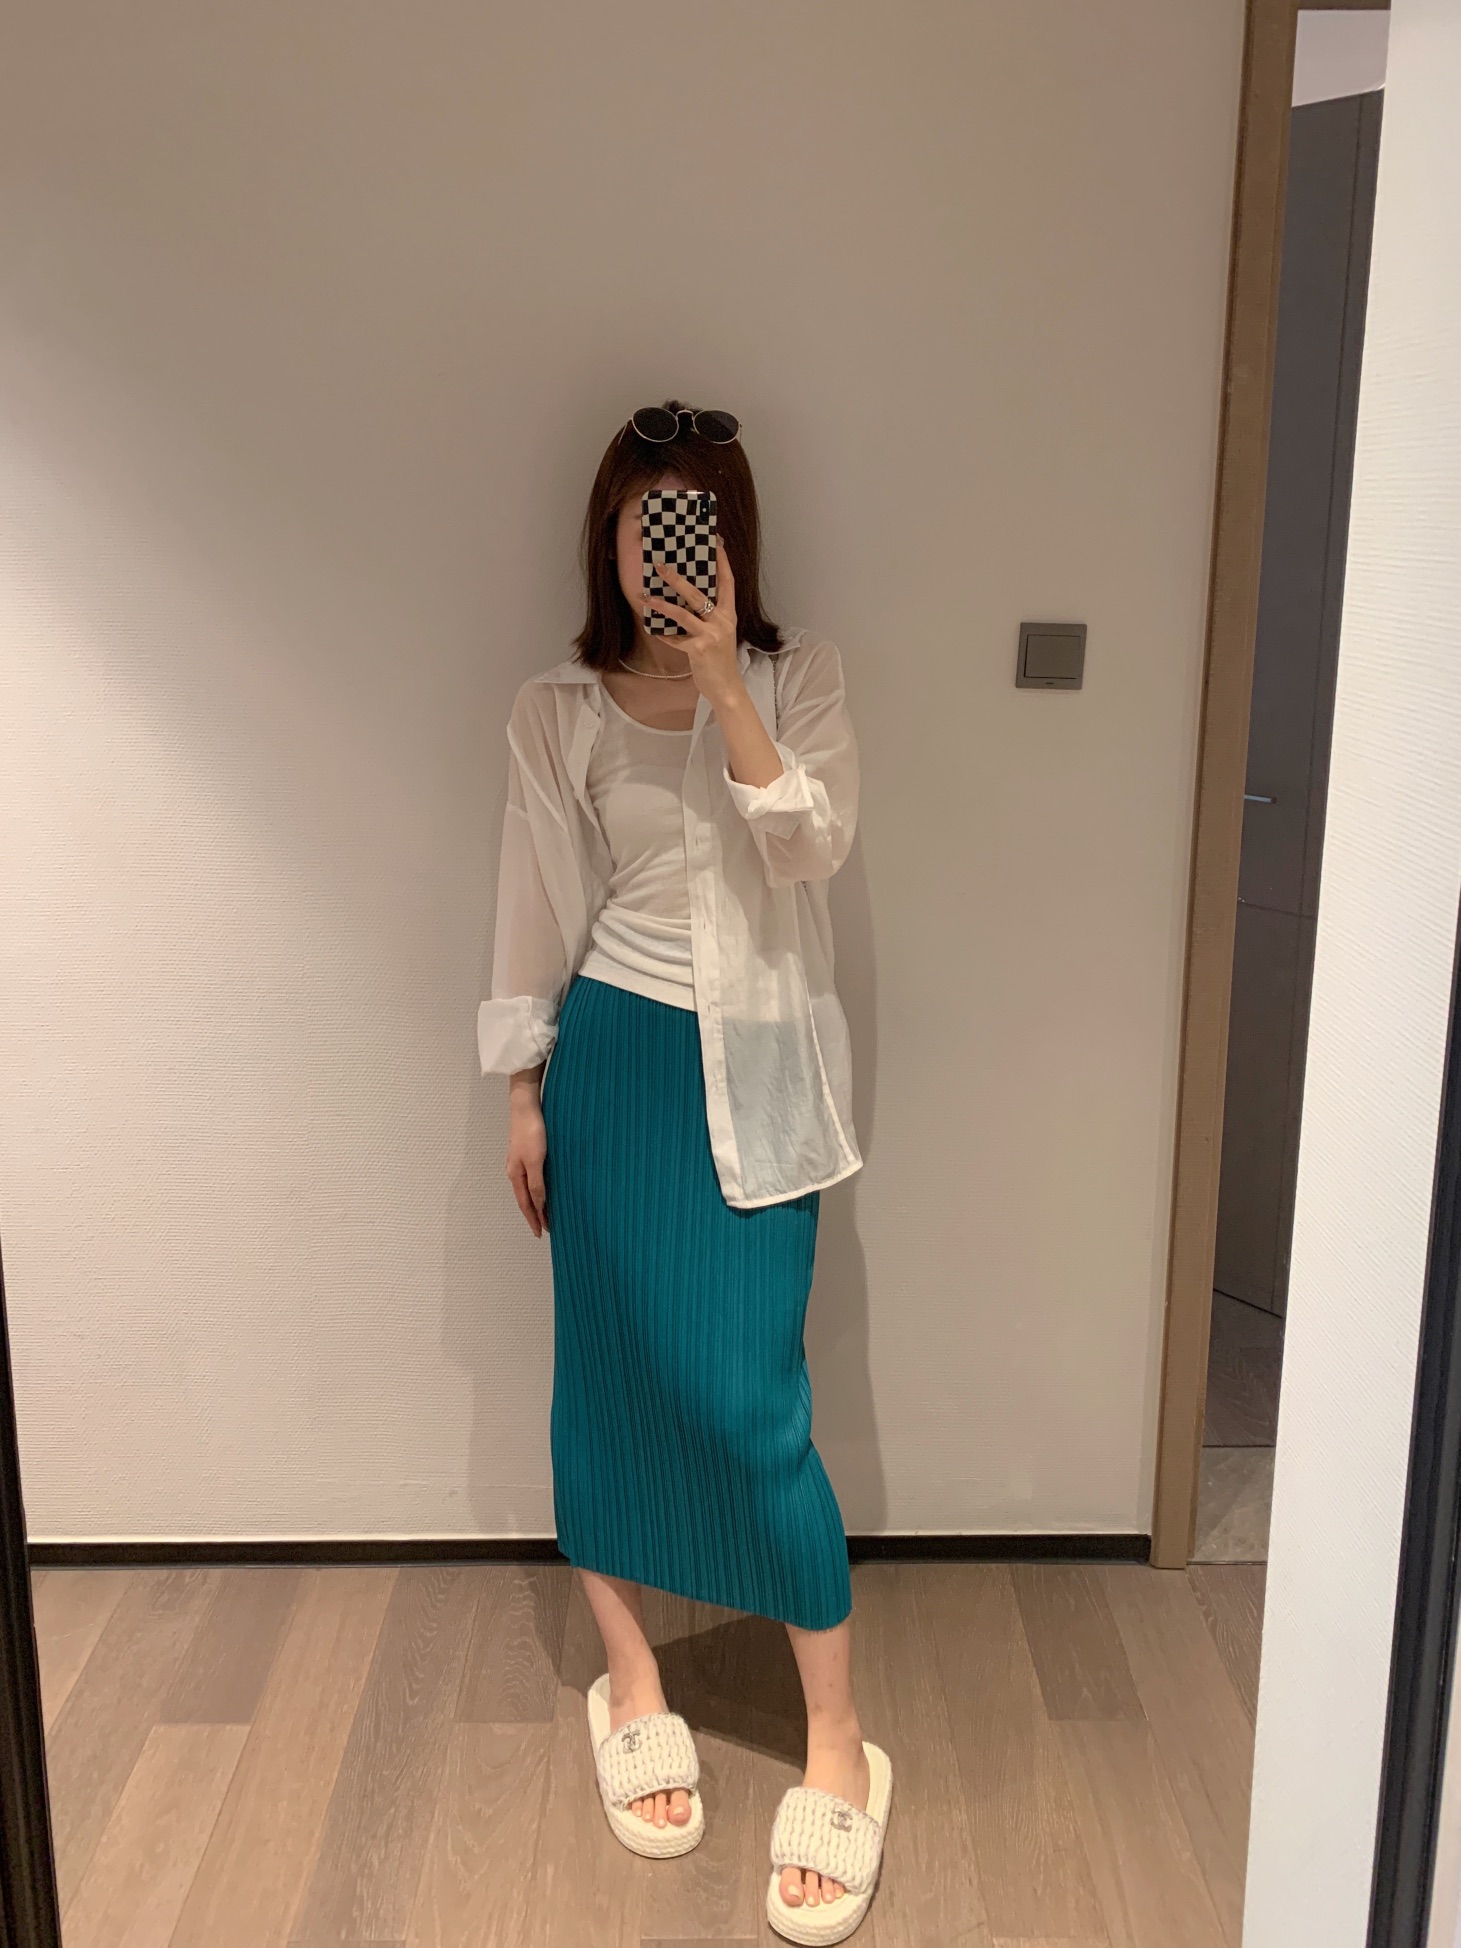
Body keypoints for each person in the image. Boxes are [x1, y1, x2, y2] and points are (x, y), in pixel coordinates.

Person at [478, 401, 891, 1941]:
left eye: (689, 526)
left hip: (756, 1079)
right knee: (603, 1386)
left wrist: (722, 679)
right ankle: (632, 1677)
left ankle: (838, 1739)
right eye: (641, 525)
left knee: (751, 1408)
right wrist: (524, 1093)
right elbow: (534, 904)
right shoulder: (555, 709)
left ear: (730, 538)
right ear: (605, 537)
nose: (661, 556)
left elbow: (809, 849)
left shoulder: (799, 678)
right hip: (612, 1071)